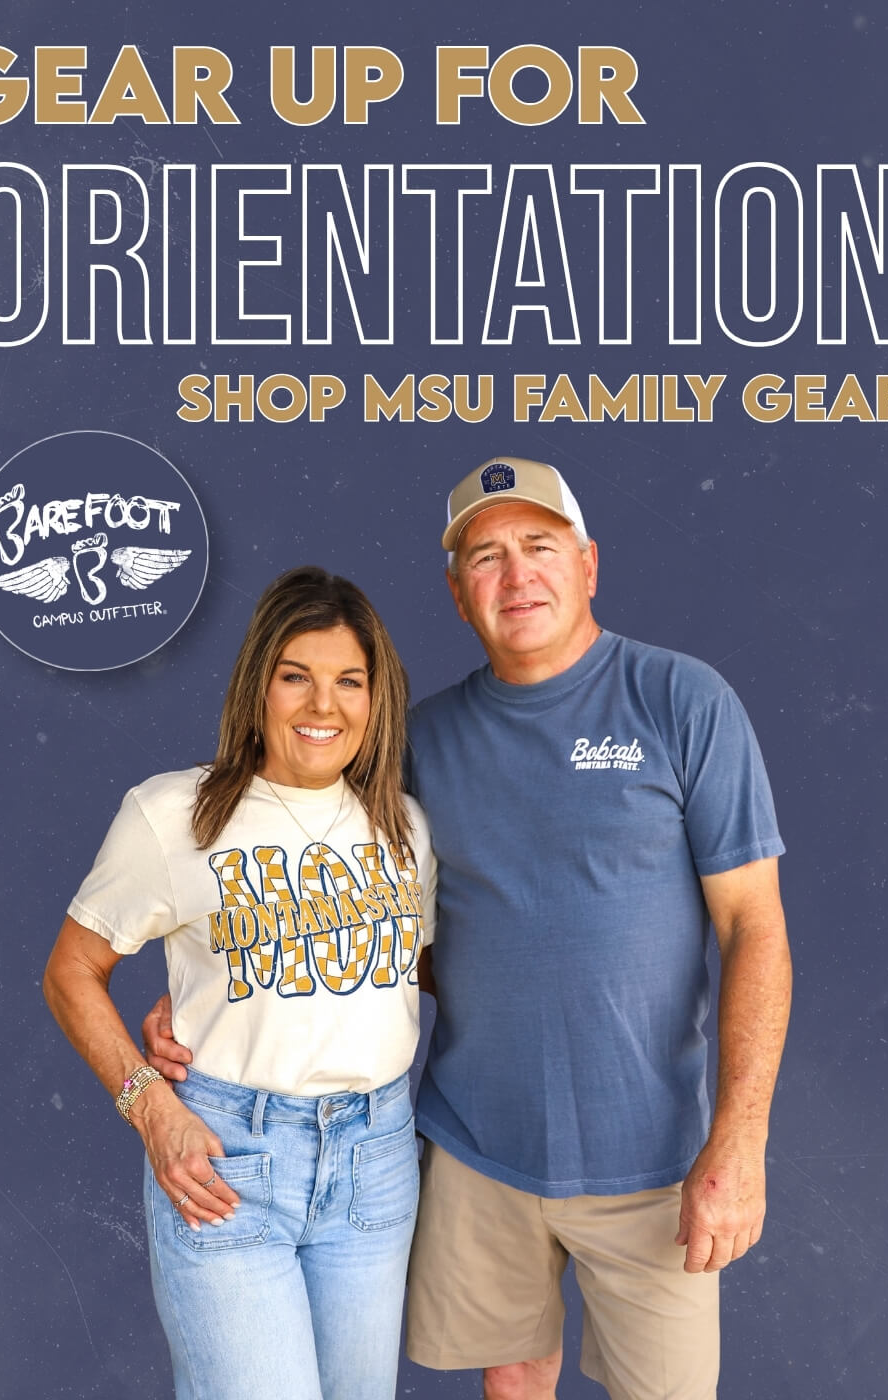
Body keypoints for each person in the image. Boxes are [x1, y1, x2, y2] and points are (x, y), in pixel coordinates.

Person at [145, 458, 792, 1400]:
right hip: (477, 1150)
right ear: (456, 594)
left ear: (589, 564)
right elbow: (331, 891)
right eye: (485, 557)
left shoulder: (682, 704)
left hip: (655, 1160)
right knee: (513, 1381)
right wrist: (216, 980)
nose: (516, 574)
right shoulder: (417, 743)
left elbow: (756, 930)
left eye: (539, 546)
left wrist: (740, 1141)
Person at [44, 565, 436, 1400]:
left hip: (376, 1160)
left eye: (348, 682)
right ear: (258, 684)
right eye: (296, 677)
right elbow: (72, 970)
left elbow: (410, 973)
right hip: (227, 1155)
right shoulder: (173, 816)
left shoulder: (403, 827)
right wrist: (150, 1106)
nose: (323, 706)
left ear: (378, 698)